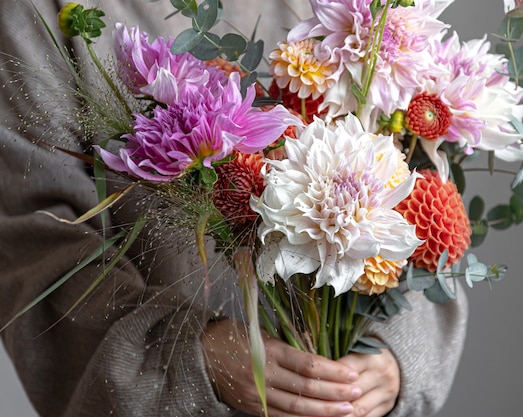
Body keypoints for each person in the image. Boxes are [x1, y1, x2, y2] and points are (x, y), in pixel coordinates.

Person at [0, 1, 468, 416]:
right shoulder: (45, 14)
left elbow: (420, 199)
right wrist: (191, 355)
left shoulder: (374, 15)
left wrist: (392, 358)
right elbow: (37, 250)